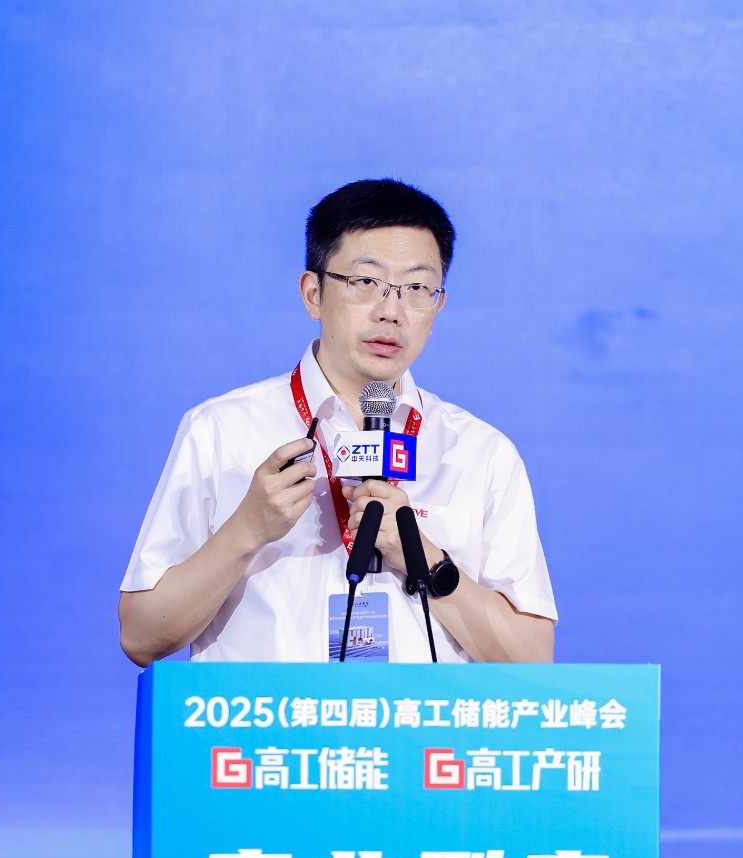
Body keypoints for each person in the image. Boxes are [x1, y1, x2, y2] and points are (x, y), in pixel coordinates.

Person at [118, 179, 556, 664]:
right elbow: (141, 637)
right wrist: (246, 530)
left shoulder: (480, 452)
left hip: (418, 716)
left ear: (438, 305)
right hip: (270, 715)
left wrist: (422, 556)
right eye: (366, 282)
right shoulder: (222, 429)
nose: (391, 312)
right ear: (313, 293)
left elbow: (532, 661)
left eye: (417, 289)